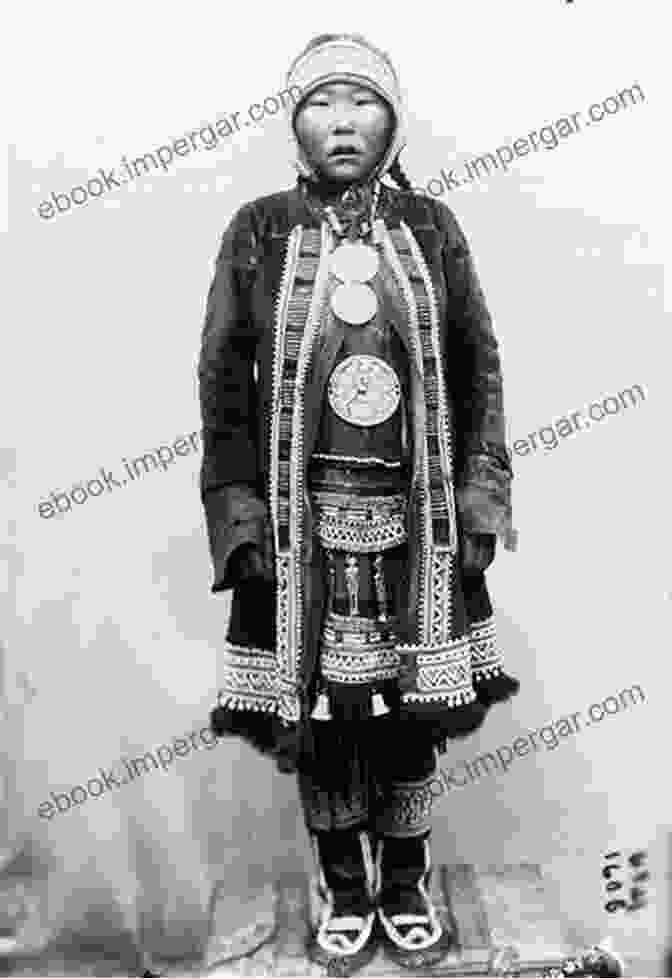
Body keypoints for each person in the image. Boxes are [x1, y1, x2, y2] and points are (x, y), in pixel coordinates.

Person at [199, 32, 519, 974]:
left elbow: (479, 368)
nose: (342, 122)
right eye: (321, 104)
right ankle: (342, 883)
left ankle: (408, 878)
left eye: (362, 102)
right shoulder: (258, 229)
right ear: (294, 121)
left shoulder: (432, 226)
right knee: (328, 719)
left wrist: (479, 499)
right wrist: (240, 519)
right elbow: (222, 385)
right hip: (303, 533)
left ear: (393, 117)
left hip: (416, 529)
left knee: (411, 711)